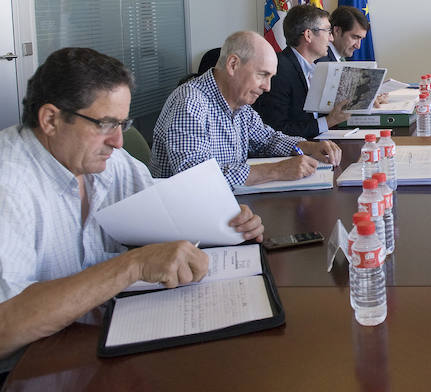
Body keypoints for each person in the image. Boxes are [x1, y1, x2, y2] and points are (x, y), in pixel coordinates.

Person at [0, 48, 265, 368]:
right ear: (51, 119)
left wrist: (229, 219)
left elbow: (164, 205)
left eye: (122, 125)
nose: (118, 142)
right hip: (32, 370)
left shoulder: (103, 160)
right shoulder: (9, 186)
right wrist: (132, 266)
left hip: (102, 343)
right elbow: (5, 326)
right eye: (105, 124)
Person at [150, 31, 341, 189]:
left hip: (226, 204)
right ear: (233, 65)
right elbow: (195, 179)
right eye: (262, 75)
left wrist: (307, 147)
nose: (267, 87)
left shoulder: (239, 102)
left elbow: (267, 139)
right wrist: (276, 170)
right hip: (189, 220)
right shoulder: (190, 102)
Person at [254, 5, 351, 139]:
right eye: (328, 31)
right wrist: (328, 121)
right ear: (308, 35)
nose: (331, 39)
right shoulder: (279, 70)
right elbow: (276, 129)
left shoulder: (314, 67)